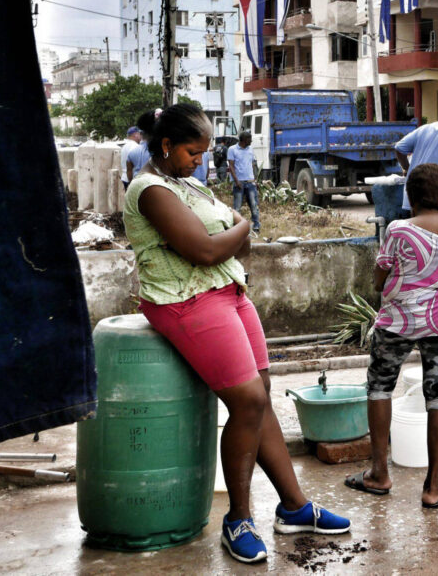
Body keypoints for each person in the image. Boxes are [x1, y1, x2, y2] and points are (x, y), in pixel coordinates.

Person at [123, 104, 349, 565]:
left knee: (262, 394)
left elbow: (230, 244)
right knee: (246, 400)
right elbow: (208, 248)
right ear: (165, 146)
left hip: (228, 291)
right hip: (185, 299)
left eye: (204, 153)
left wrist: (235, 233)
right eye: (192, 151)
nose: (200, 161)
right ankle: (238, 519)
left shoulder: (189, 185)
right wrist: (242, 224)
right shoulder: (149, 190)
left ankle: (294, 507)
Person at [345, 163, 438, 509]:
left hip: (398, 321)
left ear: (410, 196)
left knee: (380, 387)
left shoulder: (397, 229)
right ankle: (432, 488)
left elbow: (379, 282)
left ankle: (379, 474)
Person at [228, 132, 261, 234]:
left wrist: (256, 180)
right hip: (239, 183)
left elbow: (253, 165)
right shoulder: (232, 149)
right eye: (249, 139)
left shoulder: (250, 149)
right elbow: (231, 166)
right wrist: (236, 181)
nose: (251, 140)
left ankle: (256, 226)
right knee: (237, 207)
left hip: (250, 182)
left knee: (254, 206)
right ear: (243, 140)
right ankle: (237, 228)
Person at [127, 111, 156, 182]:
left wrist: (131, 183)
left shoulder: (132, 152)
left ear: (141, 134)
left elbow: (129, 171)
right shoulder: (159, 152)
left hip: (136, 182)